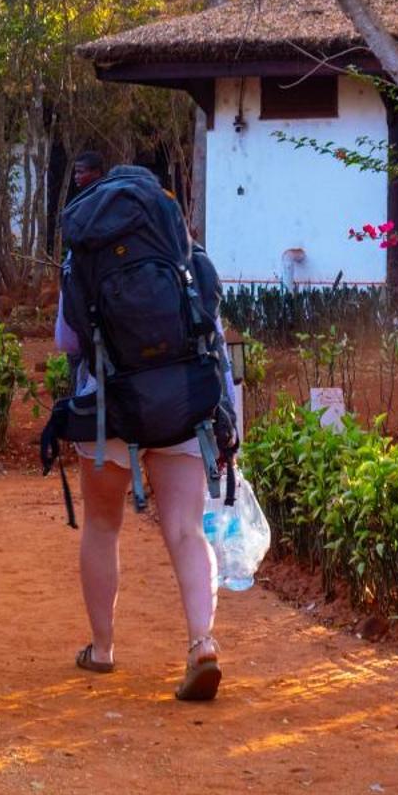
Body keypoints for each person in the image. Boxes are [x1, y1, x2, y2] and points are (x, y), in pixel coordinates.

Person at [53, 164, 229, 703]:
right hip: (180, 403)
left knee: (102, 526)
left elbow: (65, 339)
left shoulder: (83, 253)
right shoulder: (184, 249)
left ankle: (102, 649)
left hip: (110, 406)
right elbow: (212, 329)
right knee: (185, 529)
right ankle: (201, 641)